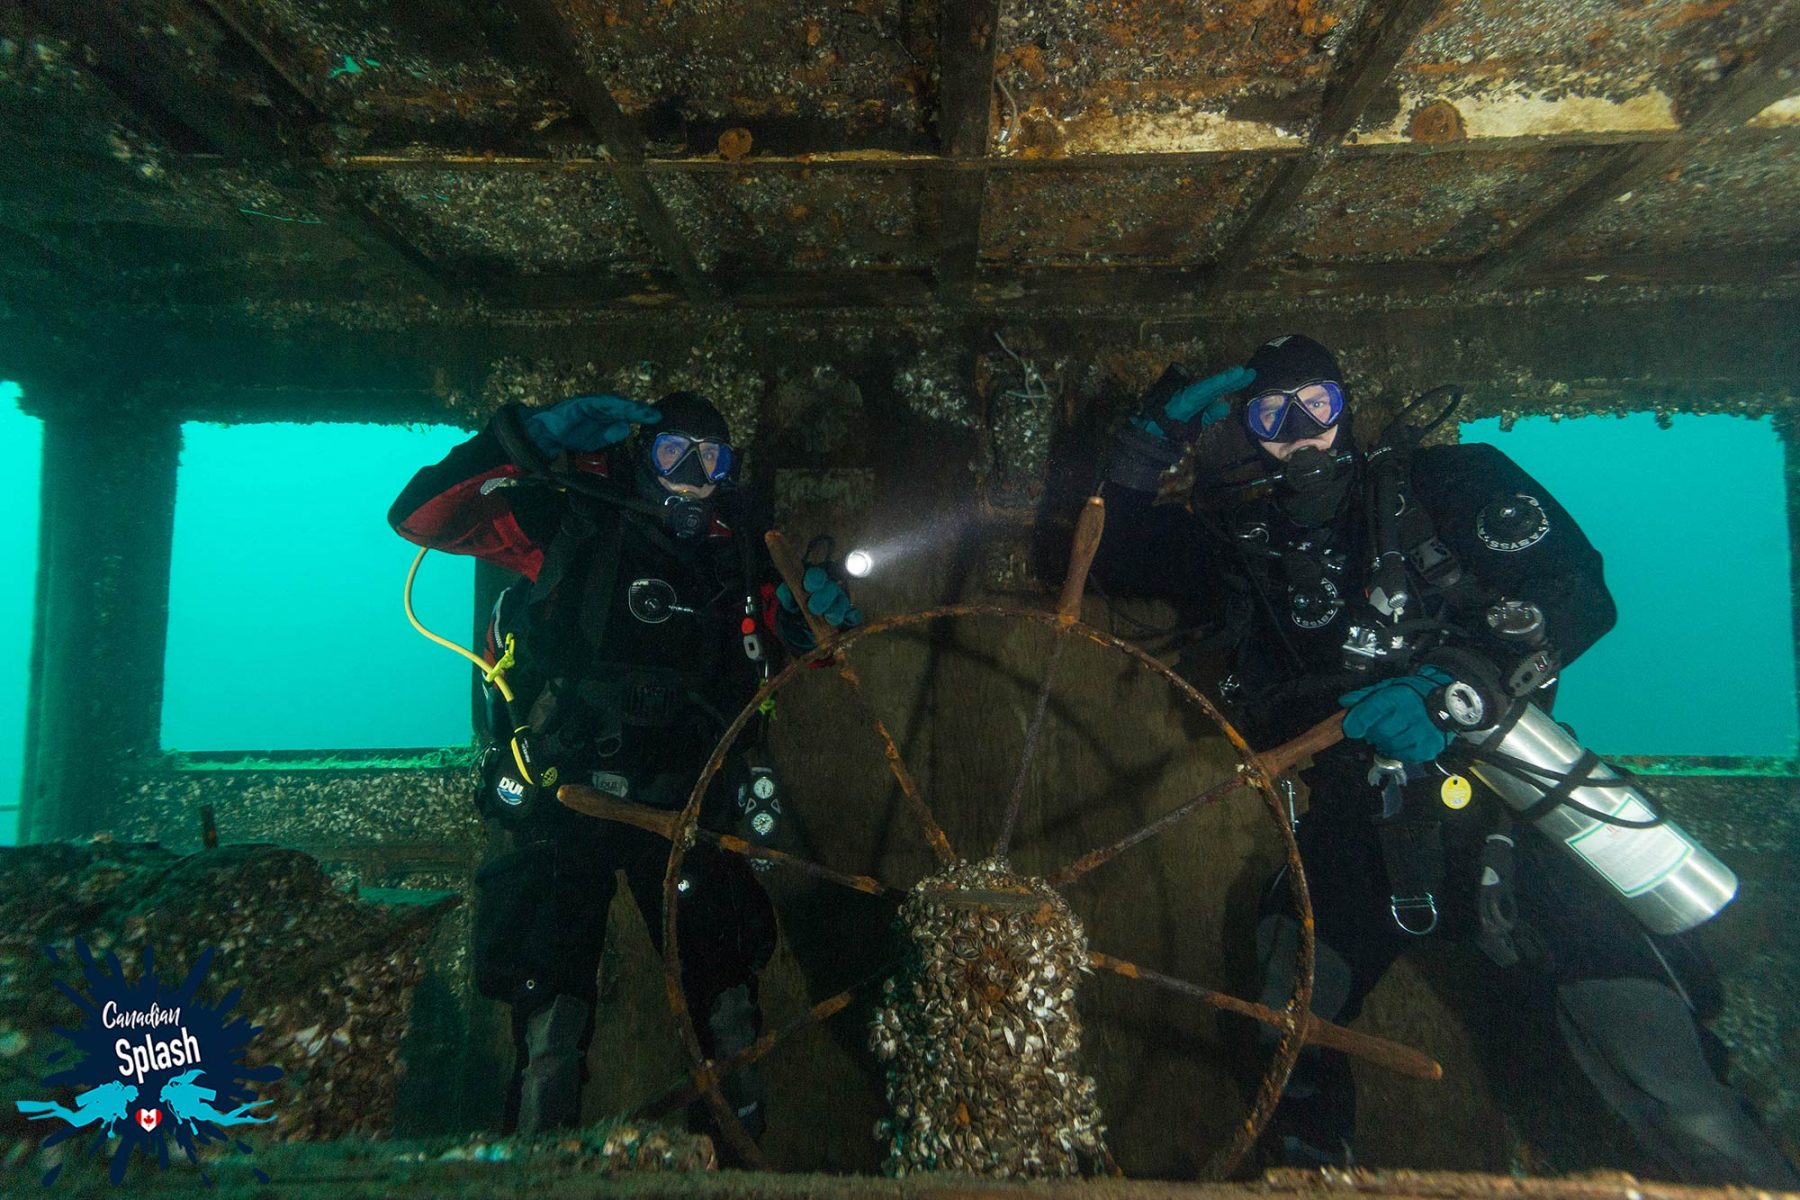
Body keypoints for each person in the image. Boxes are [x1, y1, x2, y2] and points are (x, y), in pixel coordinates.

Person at [1093, 334, 1799, 1186]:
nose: (1300, 432)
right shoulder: (1245, 542)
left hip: (1516, 805)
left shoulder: (1447, 485)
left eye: (1316, 405)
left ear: (1348, 405)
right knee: (1286, 1027)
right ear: (1247, 431)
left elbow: (1577, 591)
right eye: (1272, 416)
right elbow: (1105, 550)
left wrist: (1454, 687)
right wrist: (1150, 439)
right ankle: (1310, 1167)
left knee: (1665, 1069)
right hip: (1359, 826)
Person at [389, 391, 860, 1138]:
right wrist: (520, 440)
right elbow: (418, 517)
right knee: (550, 1011)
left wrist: (808, 622)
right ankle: (541, 1168)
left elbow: (794, 646)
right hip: (563, 797)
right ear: (643, 456)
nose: (690, 480)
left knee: (727, 1006)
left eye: (711, 463)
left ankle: (736, 1165)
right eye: (674, 455)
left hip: (684, 810)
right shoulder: (570, 520)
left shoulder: (737, 555)